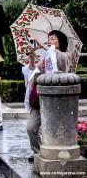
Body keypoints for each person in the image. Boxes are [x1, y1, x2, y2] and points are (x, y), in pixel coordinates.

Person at [23, 30, 72, 163]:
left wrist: (45, 47)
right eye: (48, 38)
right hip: (39, 101)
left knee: (51, 130)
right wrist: (32, 57)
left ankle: (51, 152)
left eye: (53, 38)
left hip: (56, 102)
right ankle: (38, 152)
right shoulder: (46, 57)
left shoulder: (66, 55)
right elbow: (33, 73)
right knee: (30, 128)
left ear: (60, 41)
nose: (49, 40)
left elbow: (61, 66)